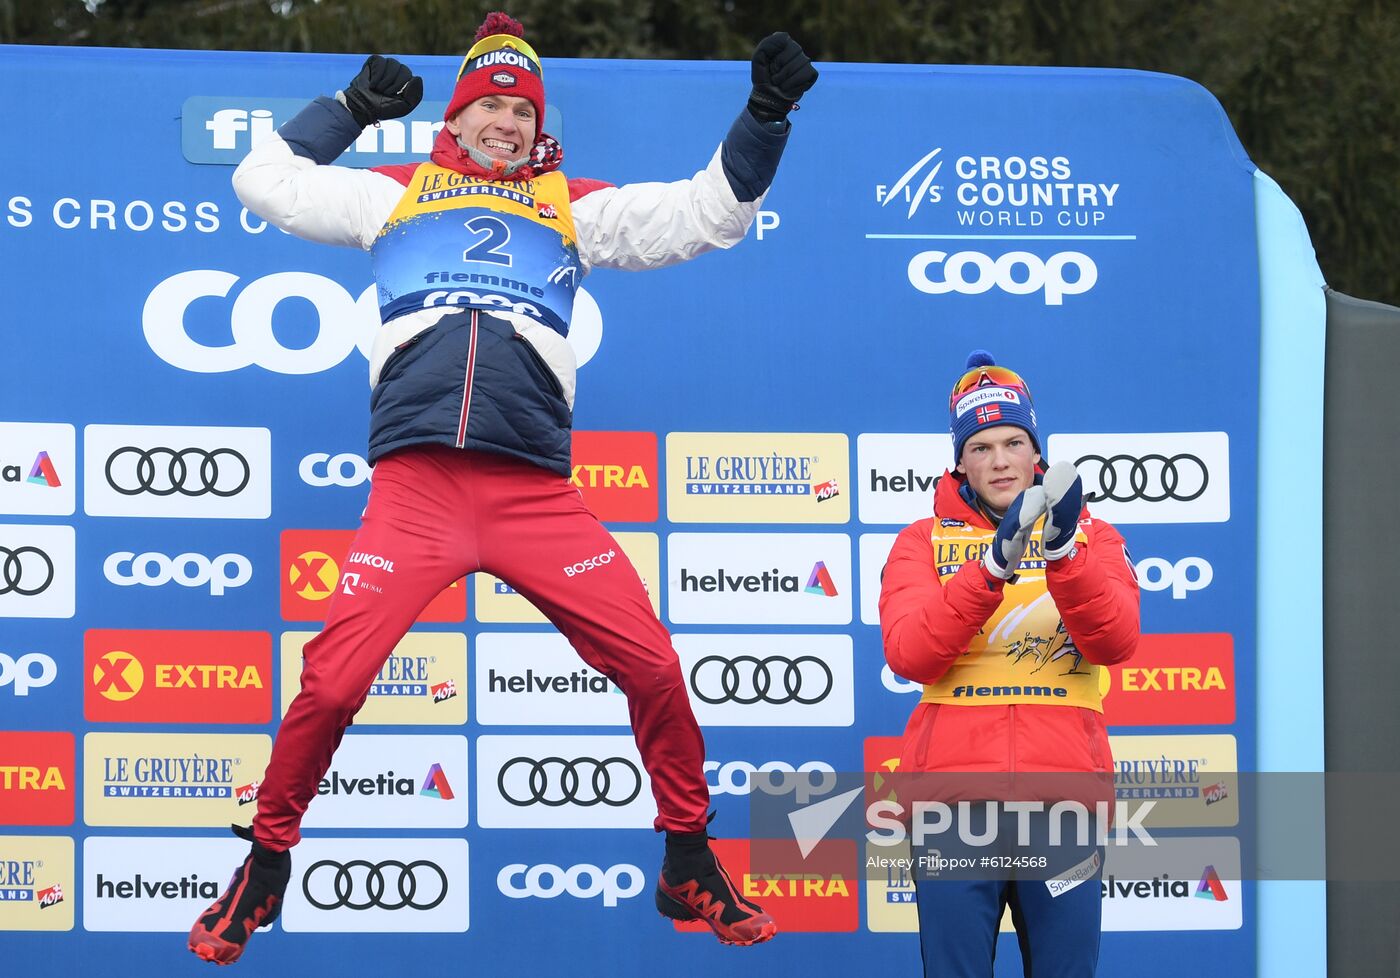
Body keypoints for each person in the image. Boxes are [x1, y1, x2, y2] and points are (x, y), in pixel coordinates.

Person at [187, 13, 817, 964]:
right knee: (332, 684)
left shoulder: (576, 205)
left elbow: (708, 214)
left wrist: (765, 115)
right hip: (418, 491)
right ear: (457, 117)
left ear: (538, 127)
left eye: (520, 111)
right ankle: (266, 863)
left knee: (651, 666)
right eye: (487, 104)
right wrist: (349, 111)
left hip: (534, 495)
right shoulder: (394, 195)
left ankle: (688, 858)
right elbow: (261, 182)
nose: (505, 123)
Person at [878, 351, 1140, 976]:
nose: (1000, 460)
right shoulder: (922, 539)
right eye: (982, 446)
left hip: (1064, 808)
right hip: (952, 810)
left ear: (1036, 453)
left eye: (1014, 442)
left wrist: (1061, 556)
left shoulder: (1093, 537)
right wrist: (991, 568)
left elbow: (1117, 641)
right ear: (959, 460)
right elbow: (909, 652)